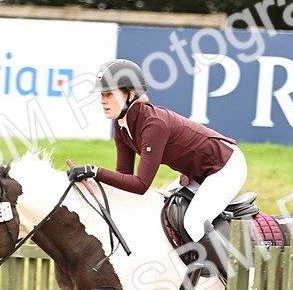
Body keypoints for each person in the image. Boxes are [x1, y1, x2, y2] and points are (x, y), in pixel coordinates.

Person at [68, 58, 249, 274]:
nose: (102, 101)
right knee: (160, 211)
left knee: (193, 221)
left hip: (225, 166)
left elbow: (141, 185)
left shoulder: (153, 125)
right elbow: (123, 177)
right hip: (196, 174)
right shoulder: (122, 126)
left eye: (110, 94)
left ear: (131, 95)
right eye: (102, 95)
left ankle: (243, 281)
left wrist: (95, 171)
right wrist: (92, 181)